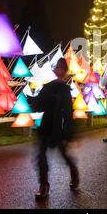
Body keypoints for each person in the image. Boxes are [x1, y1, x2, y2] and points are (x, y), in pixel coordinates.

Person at [30, 58, 79, 199]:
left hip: (59, 129)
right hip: (46, 126)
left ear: (65, 72)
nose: (60, 71)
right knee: (41, 156)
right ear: (55, 70)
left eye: (63, 68)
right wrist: (34, 100)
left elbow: (68, 115)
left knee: (64, 154)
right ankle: (43, 184)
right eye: (58, 67)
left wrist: (66, 135)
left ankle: (73, 172)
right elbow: (39, 105)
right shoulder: (48, 87)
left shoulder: (65, 90)